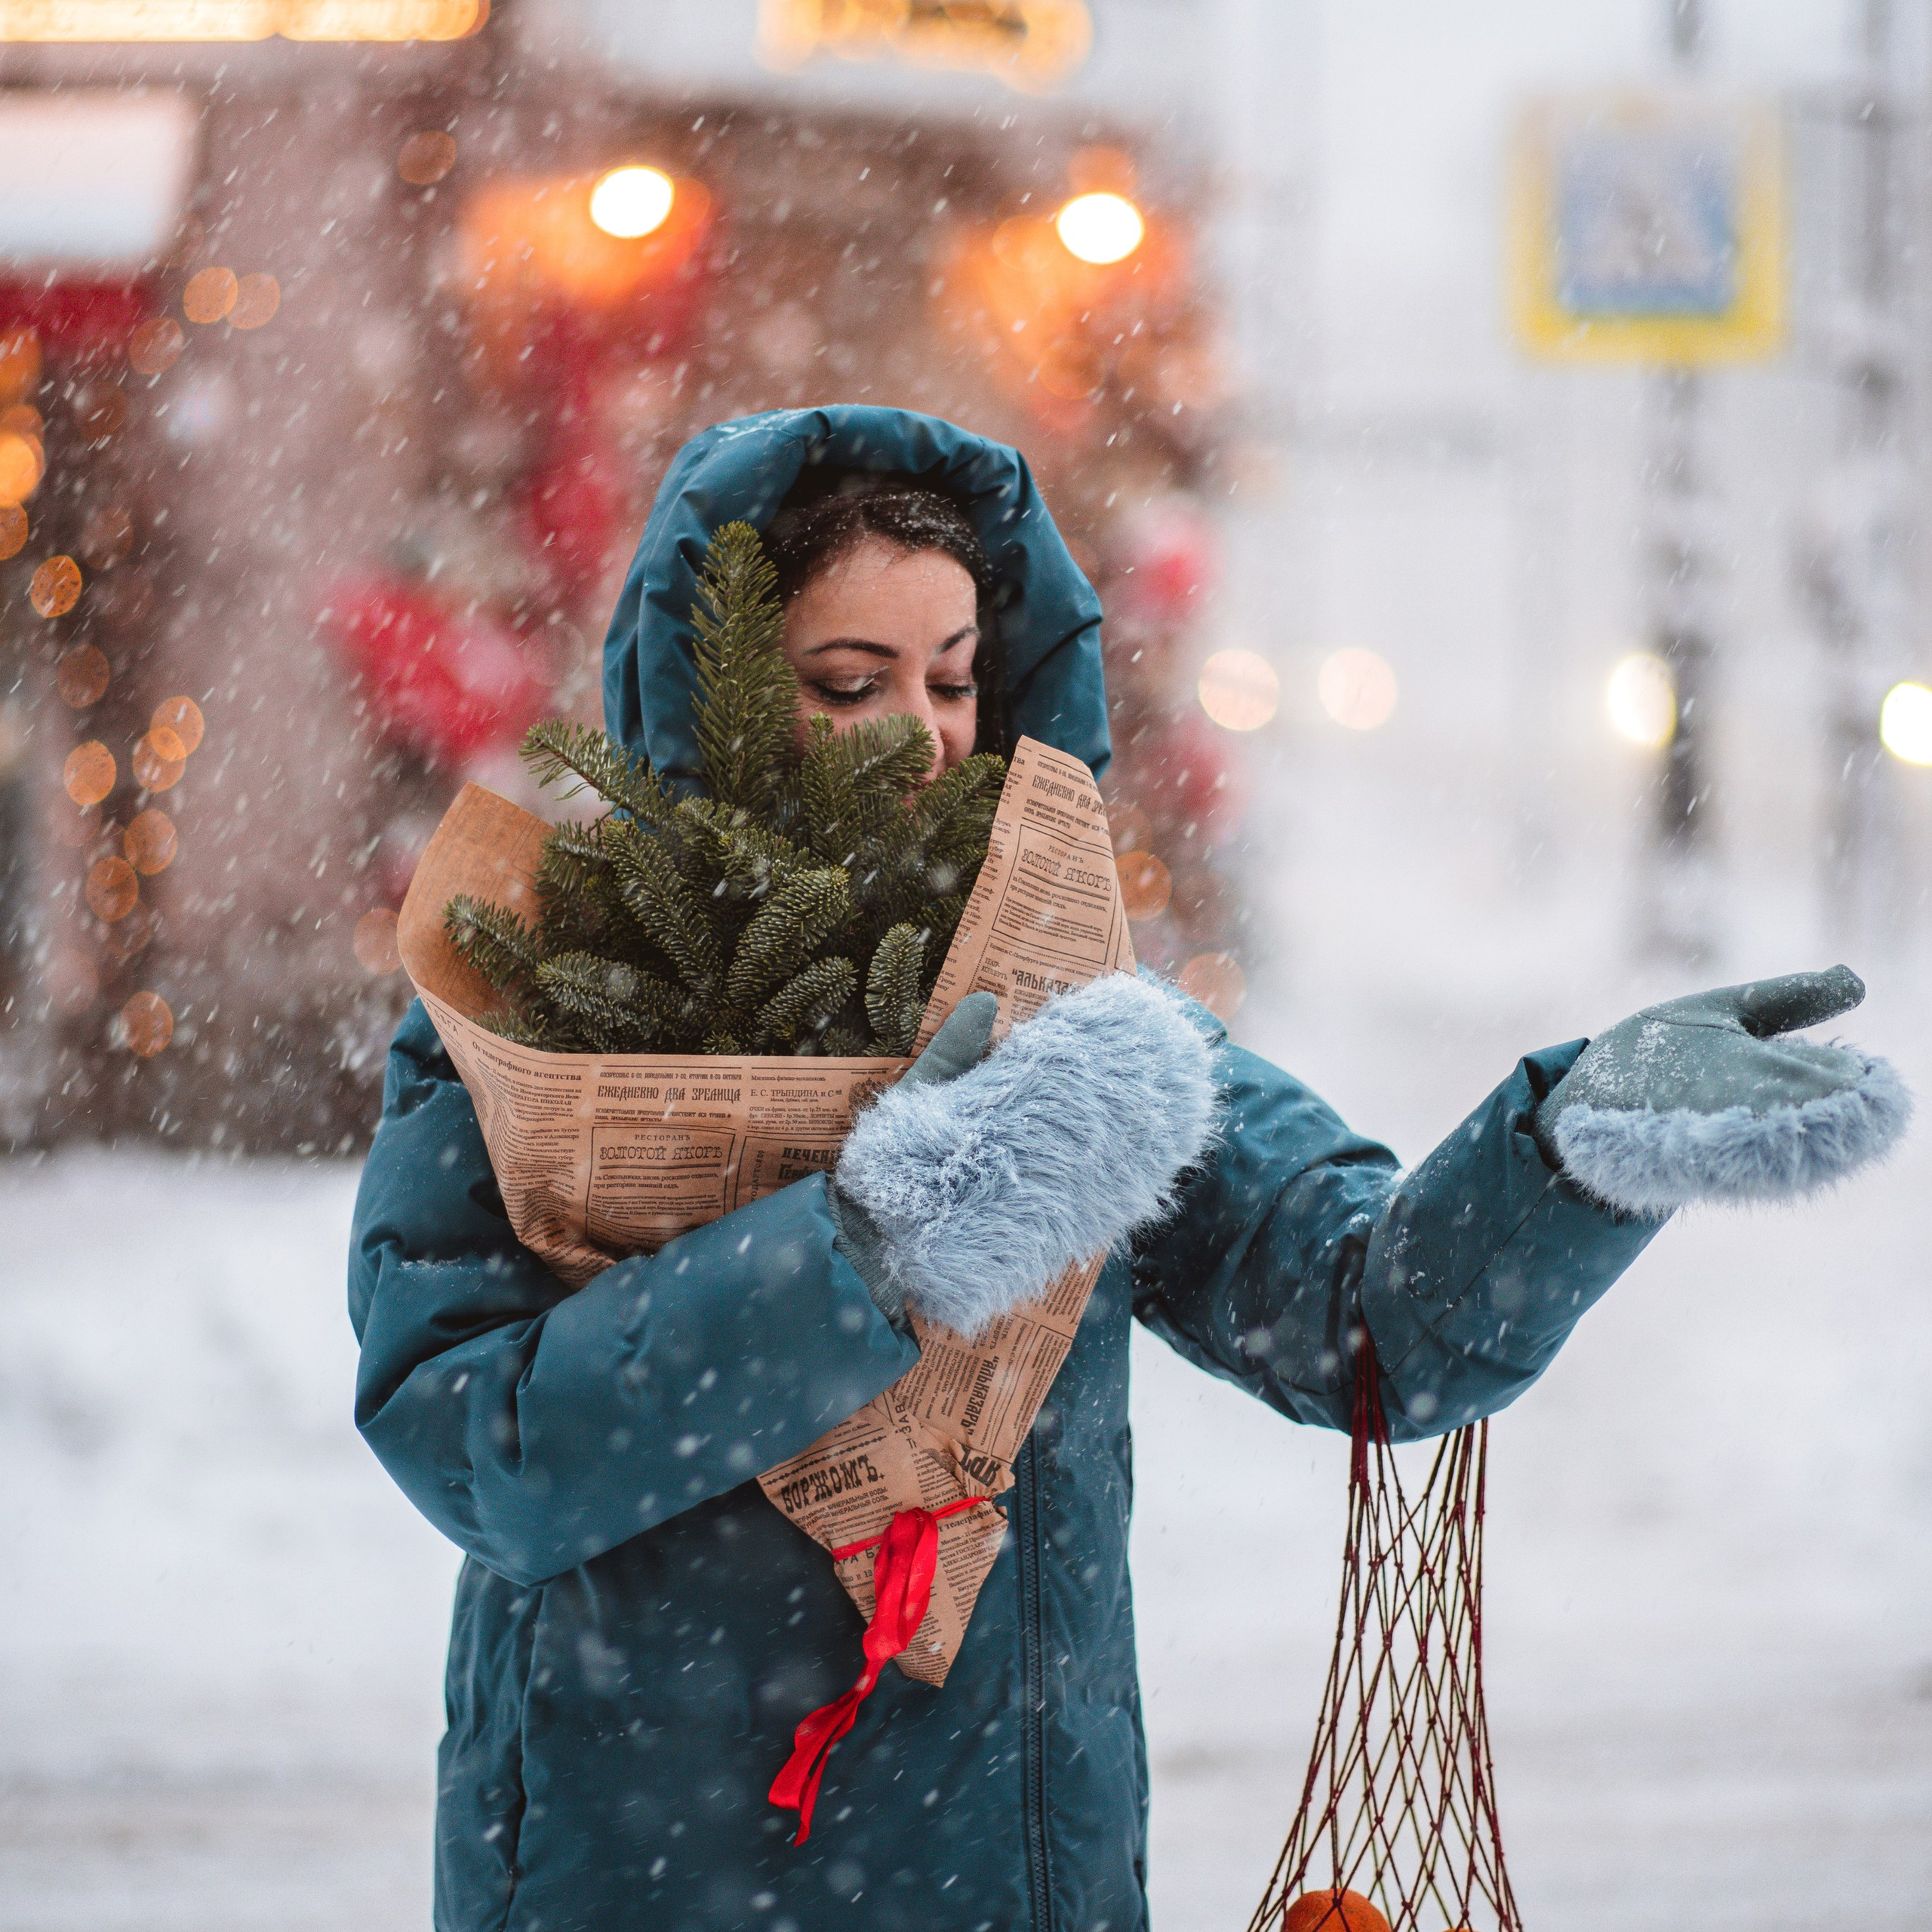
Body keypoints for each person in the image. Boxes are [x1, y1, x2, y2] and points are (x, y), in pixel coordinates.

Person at [349, 405, 1901, 1932]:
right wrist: (868, 1247)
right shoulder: (535, 999)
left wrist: (1565, 1148)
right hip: (637, 1870)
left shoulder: (1071, 1024)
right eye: (846, 679)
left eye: (953, 678)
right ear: (721, 684)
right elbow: (476, 1441)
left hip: (1006, 1877)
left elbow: (1365, 1316)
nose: (918, 731)